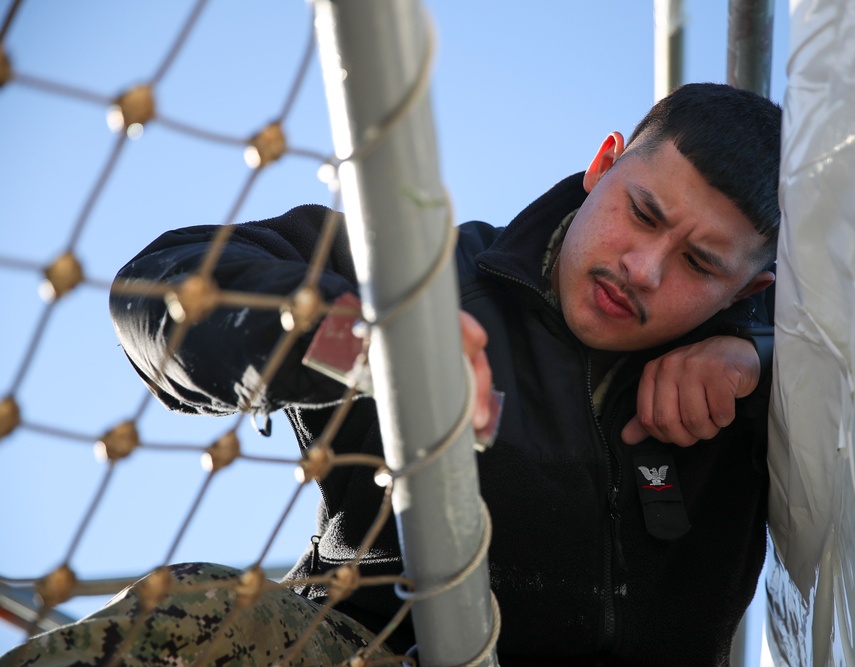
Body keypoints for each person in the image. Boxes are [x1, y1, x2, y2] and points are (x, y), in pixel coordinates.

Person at [2, 82, 780, 666]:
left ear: (750, 289)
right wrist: (367, 344)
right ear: (602, 165)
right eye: (641, 213)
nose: (643, 269)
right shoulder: (420, 277)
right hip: (371, 652)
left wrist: (762, 355)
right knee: (203, 616)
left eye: (699, 262)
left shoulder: (775, 393)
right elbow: (164, 287)